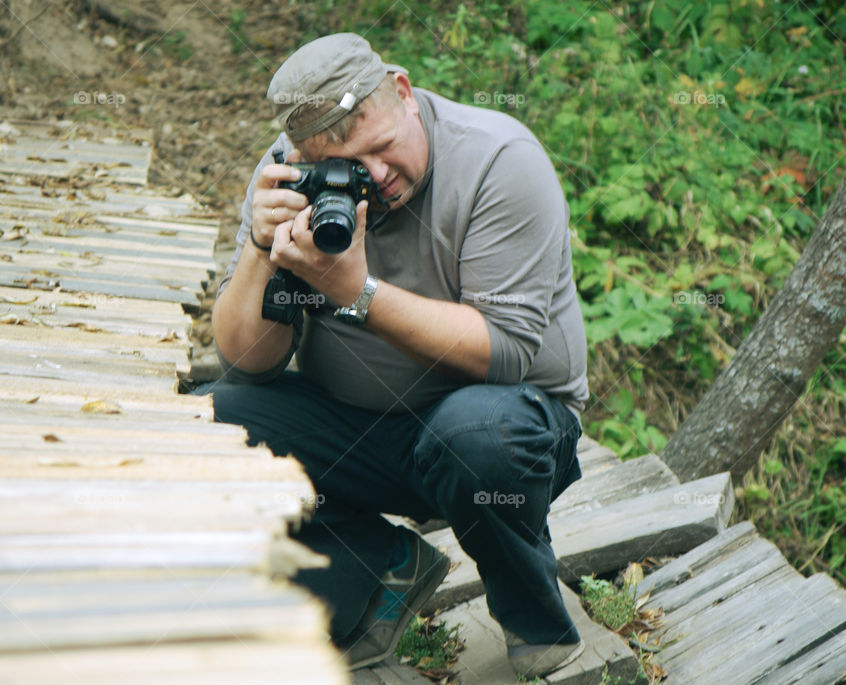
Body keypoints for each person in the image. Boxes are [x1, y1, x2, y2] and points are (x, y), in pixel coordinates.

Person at [208, 32, 589, 678]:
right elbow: (248, 363)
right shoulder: (289, 177)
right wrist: (258, 246)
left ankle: (534, 619)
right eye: (352, 168)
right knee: (208, 427)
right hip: (362, 435)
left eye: (383, 149)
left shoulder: (499, 160)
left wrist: (355, 293)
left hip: (503, 430)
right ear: (305, 155)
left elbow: (507, 353)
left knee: (477, 436)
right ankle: (375, 575)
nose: (378, 178)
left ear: (406, 95)